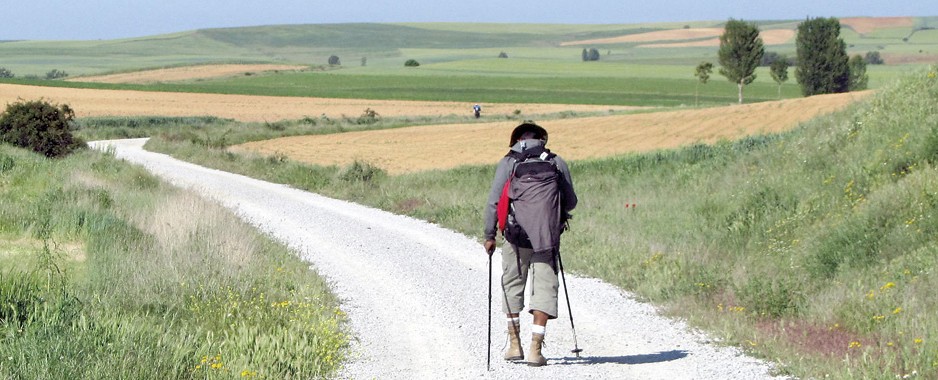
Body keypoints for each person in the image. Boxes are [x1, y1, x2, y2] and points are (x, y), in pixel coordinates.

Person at [483, 121, 577, 367]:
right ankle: (536, 348)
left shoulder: (508, 163)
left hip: (515, 235)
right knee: (545, 288)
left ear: (516, 140)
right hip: (547, 237)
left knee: (512, 283)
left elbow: (494, 202)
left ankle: (515, 345)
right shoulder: (556, 162)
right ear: (541, 139)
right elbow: (571, 202)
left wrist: (489, 234)